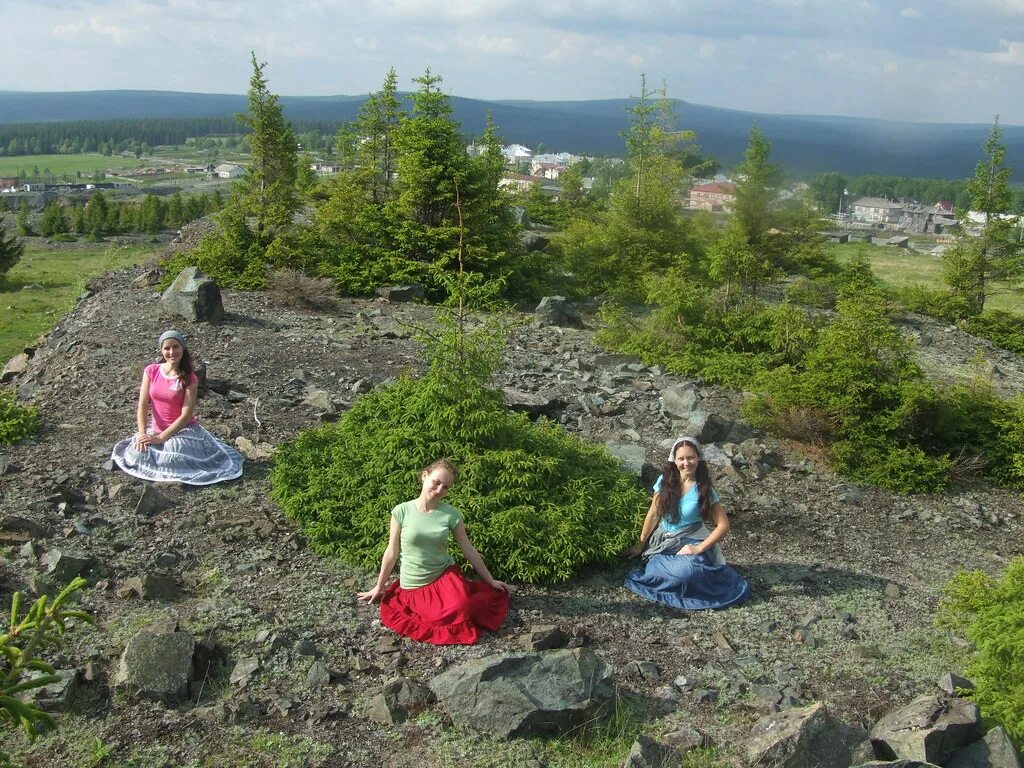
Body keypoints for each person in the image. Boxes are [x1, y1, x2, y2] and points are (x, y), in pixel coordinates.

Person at [357, 458, 510, 645]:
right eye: (436, 483)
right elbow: (391, 551)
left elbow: (468, 549)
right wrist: (378, 587)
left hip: (444, 574)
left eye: (446, 487)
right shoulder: (402, 511)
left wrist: (490, 580)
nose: (439, 490)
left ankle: (463, 594)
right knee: (440, 618)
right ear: (424, 476)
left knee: (463, 609)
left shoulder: (451, 514)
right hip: (414, 584)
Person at [623, 437, 750, 610]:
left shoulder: (705, 490)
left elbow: (723, 525)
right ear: (674, 460)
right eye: (681, 458)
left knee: (688, 571)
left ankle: (681, 573)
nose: (686, 463)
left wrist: (698, 548)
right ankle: (667, 568)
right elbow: (653, 513)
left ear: (699, 458)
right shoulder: (664, 482)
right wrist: (641, 542)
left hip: (692, 540)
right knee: (655, 568)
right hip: (663, 542)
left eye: (690, 458)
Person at [111, 330, 243, 485]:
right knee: (138, 454)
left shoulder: (189, 378)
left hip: (182, 430)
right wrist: (142, 434)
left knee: (174, 454)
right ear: (162, 350)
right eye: (167, 348)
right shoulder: (151, 371)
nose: (172, 352)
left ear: (183, 348)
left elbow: (186, 415)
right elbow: (142, 405)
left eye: (175, 347)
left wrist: (160, 438)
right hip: (156, 428)